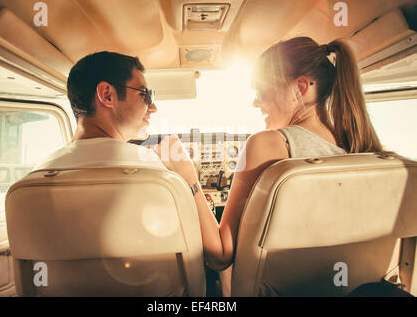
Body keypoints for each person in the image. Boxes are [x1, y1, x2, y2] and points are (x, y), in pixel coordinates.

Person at [156, 37, 383, 272]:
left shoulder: (268, 144)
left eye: (261, 90)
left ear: (301, 88)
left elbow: (220, 255)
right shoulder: (361, 146)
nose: (256, 102)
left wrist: (187, 177)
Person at [34, 51, 160, 171]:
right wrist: (178, 168)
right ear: (107, 95)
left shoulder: (37, 173)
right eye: (144, 94)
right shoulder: (150, 166)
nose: (153, 108)